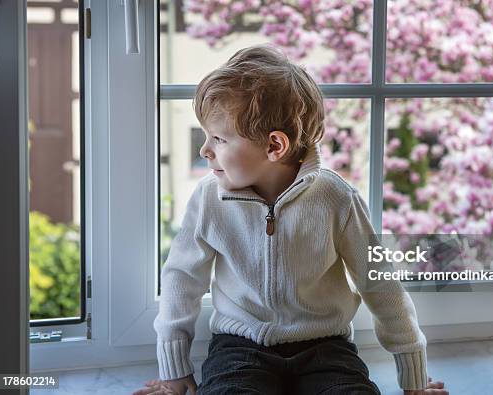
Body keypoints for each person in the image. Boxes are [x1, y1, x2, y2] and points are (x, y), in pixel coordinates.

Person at [133, 44, 448, 395]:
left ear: (274, 147)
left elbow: (381, 286)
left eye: (219, 139)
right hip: (239, 349)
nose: (204, 150)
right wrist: (174, 371)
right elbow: (181, 280)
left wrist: (414, 380)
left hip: (326, 350)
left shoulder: (336, 199)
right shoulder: (209, 199)